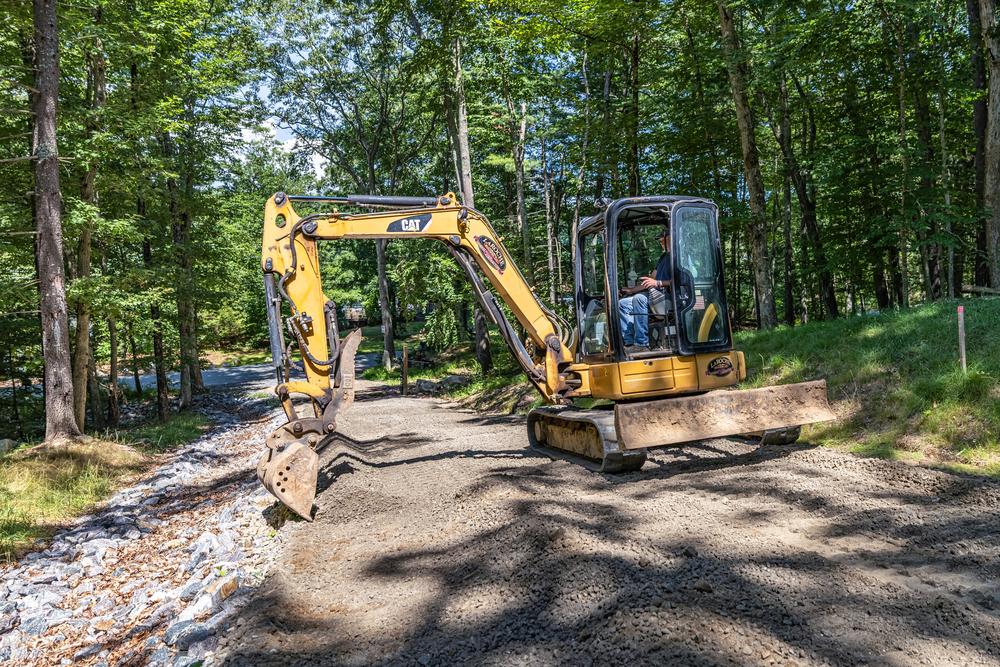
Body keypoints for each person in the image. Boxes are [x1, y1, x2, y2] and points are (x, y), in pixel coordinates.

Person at [618, 228, 671, 353]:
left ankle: (642, 343)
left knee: (640, 299)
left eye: (663, 240)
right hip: (655, 296)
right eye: (660, 241)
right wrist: (631, 290)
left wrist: (658, 283)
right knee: (622, 304)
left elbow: (681, 280)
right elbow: (651, 279)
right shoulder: (663, 257)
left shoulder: (679, 257)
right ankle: (629, 343)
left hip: (670, 297)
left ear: (671, 239)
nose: (660, 243)